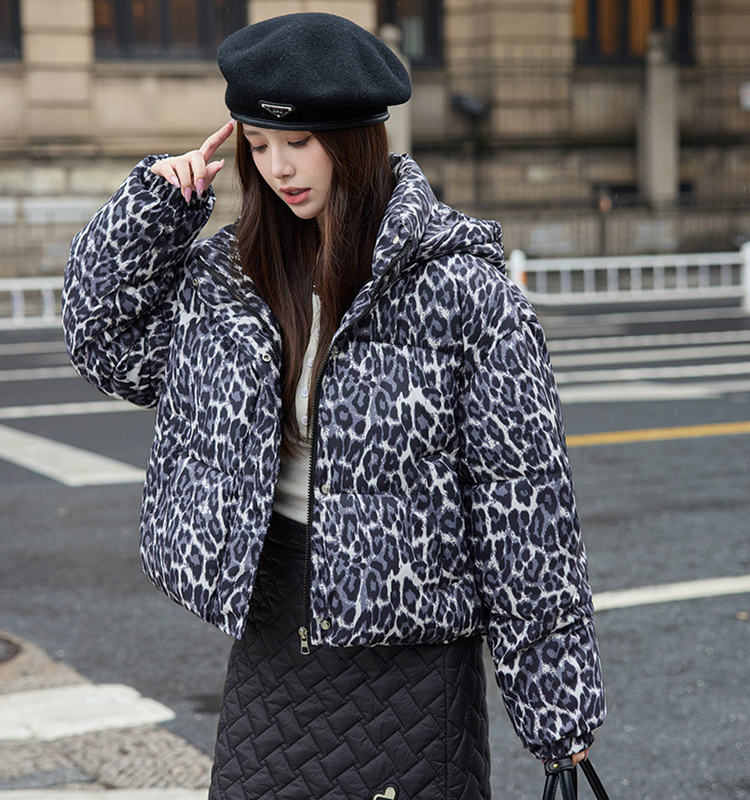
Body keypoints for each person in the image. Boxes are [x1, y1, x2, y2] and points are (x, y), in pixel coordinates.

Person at [63, 12, 605, 800]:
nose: (278, 167)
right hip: (275, 625)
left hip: (410, 656)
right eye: (257, 145)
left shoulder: (463, 293)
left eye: (299, 141)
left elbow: (525, 510)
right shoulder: (234, 280)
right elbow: (104, 345)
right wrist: (153, 210)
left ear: (355, 140)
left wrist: (558, 714)